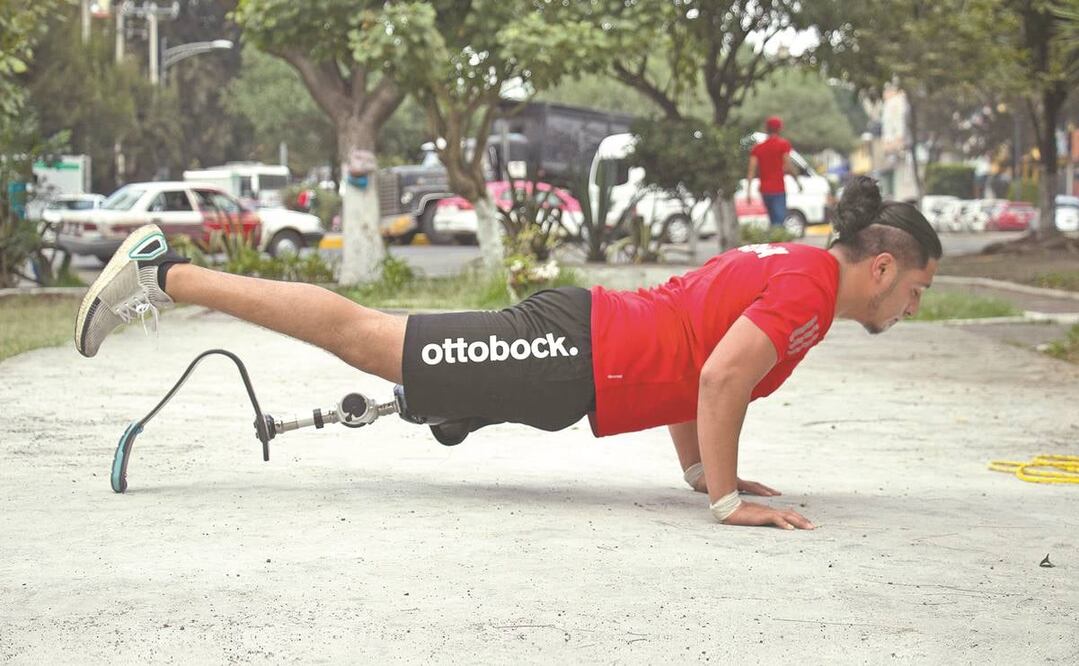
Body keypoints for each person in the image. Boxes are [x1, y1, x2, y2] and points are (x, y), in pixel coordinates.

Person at [74, 176, 941, 530]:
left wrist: (697, 474)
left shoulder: (793, 270)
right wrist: (723, 502)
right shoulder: (806, 292)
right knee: (371, 342)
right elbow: (719, 377)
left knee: (401, 371)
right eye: (916, 287)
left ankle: (173, 277)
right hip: (572, 349)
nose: (912, 303)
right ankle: (170, 273)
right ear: (882, 265)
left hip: (579, 359)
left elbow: (698, 367)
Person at [747, 116, 803, 228]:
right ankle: (776, 243)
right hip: (778, 189)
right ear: (779, 129)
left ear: (767, 128)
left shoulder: (758, 148)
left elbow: (751, 170)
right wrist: (797, 181)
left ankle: (773, 241)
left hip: (764, 190)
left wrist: (748, 192)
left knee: (773, 221)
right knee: (779, 222)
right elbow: (788, 166)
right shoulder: (783, 145)